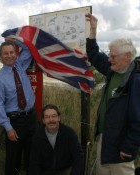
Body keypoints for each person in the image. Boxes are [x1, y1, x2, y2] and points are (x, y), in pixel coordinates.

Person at [85, 13, 140, 175]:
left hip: (121, 146)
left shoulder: (135, 81)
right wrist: (93, 31)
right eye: (109, 55)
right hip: (105, 139)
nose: (109, 59)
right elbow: (94, 55)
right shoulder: (113, 71)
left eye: (113, 56)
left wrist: (129, 147)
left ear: (127, 57)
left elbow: (138, 121)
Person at [0, 41, 38, 175]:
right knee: (13, 158)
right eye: (5, 53)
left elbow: (28, 49)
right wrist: (8, 127)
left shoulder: (21, 66)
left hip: (31, 117)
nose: (9, 56)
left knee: (33, 152)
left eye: (12, 52)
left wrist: (16, 38)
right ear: (0, 56)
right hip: (15, 122)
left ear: (16, 54)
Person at [29, 104, 84, 175]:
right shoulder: (37, 137)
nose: (51, 119)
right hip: (46, 172)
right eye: (47, 117)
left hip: (66, 170)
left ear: (59, 118)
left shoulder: (69, 133)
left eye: (54, 116)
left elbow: (78, 157)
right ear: (43, 120)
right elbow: (34, 164)